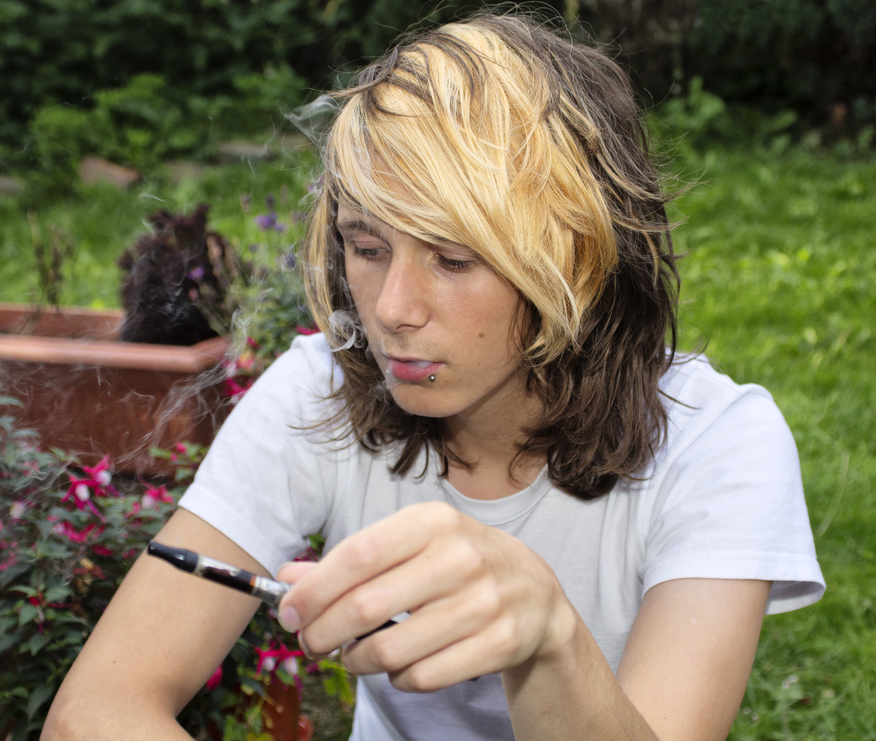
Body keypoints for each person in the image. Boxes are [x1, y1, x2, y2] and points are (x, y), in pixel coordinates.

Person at [43, 12, 824, 741]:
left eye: (453, 259)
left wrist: (548, 640)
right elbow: (95, 709)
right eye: (368, 245)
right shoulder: (319, 391)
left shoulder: (719, 444)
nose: (391, 308)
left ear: (576, 258)